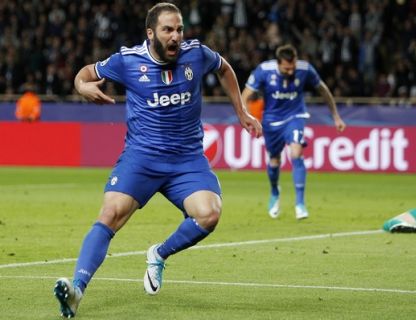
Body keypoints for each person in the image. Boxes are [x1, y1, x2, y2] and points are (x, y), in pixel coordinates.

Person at [53, 3, 262, 318]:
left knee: (209, 215)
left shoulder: (197, 54)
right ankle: (76, 292)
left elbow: (225, 69)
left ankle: (159, 254)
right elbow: (83, 74)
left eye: (179, 29)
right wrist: (82, 86)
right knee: (110, 214)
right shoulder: (127, 60)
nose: (176, 36)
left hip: (187, 160)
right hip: (142, 158)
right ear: (151, 33)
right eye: (168, 30)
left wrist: (242, 111)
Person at [241, 44, 346, 220]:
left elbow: (324, 90)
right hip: (271, 121)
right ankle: (275, 192)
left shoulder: (305, 69)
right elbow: (245, 95)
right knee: (274, 161)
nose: (291, 71)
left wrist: (336, 116)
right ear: (278, 63)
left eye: (293, 67)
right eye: (286, 68)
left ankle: (300, 203)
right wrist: (245, 117)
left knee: (296, 151)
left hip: (295, 116)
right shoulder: (264, 71)